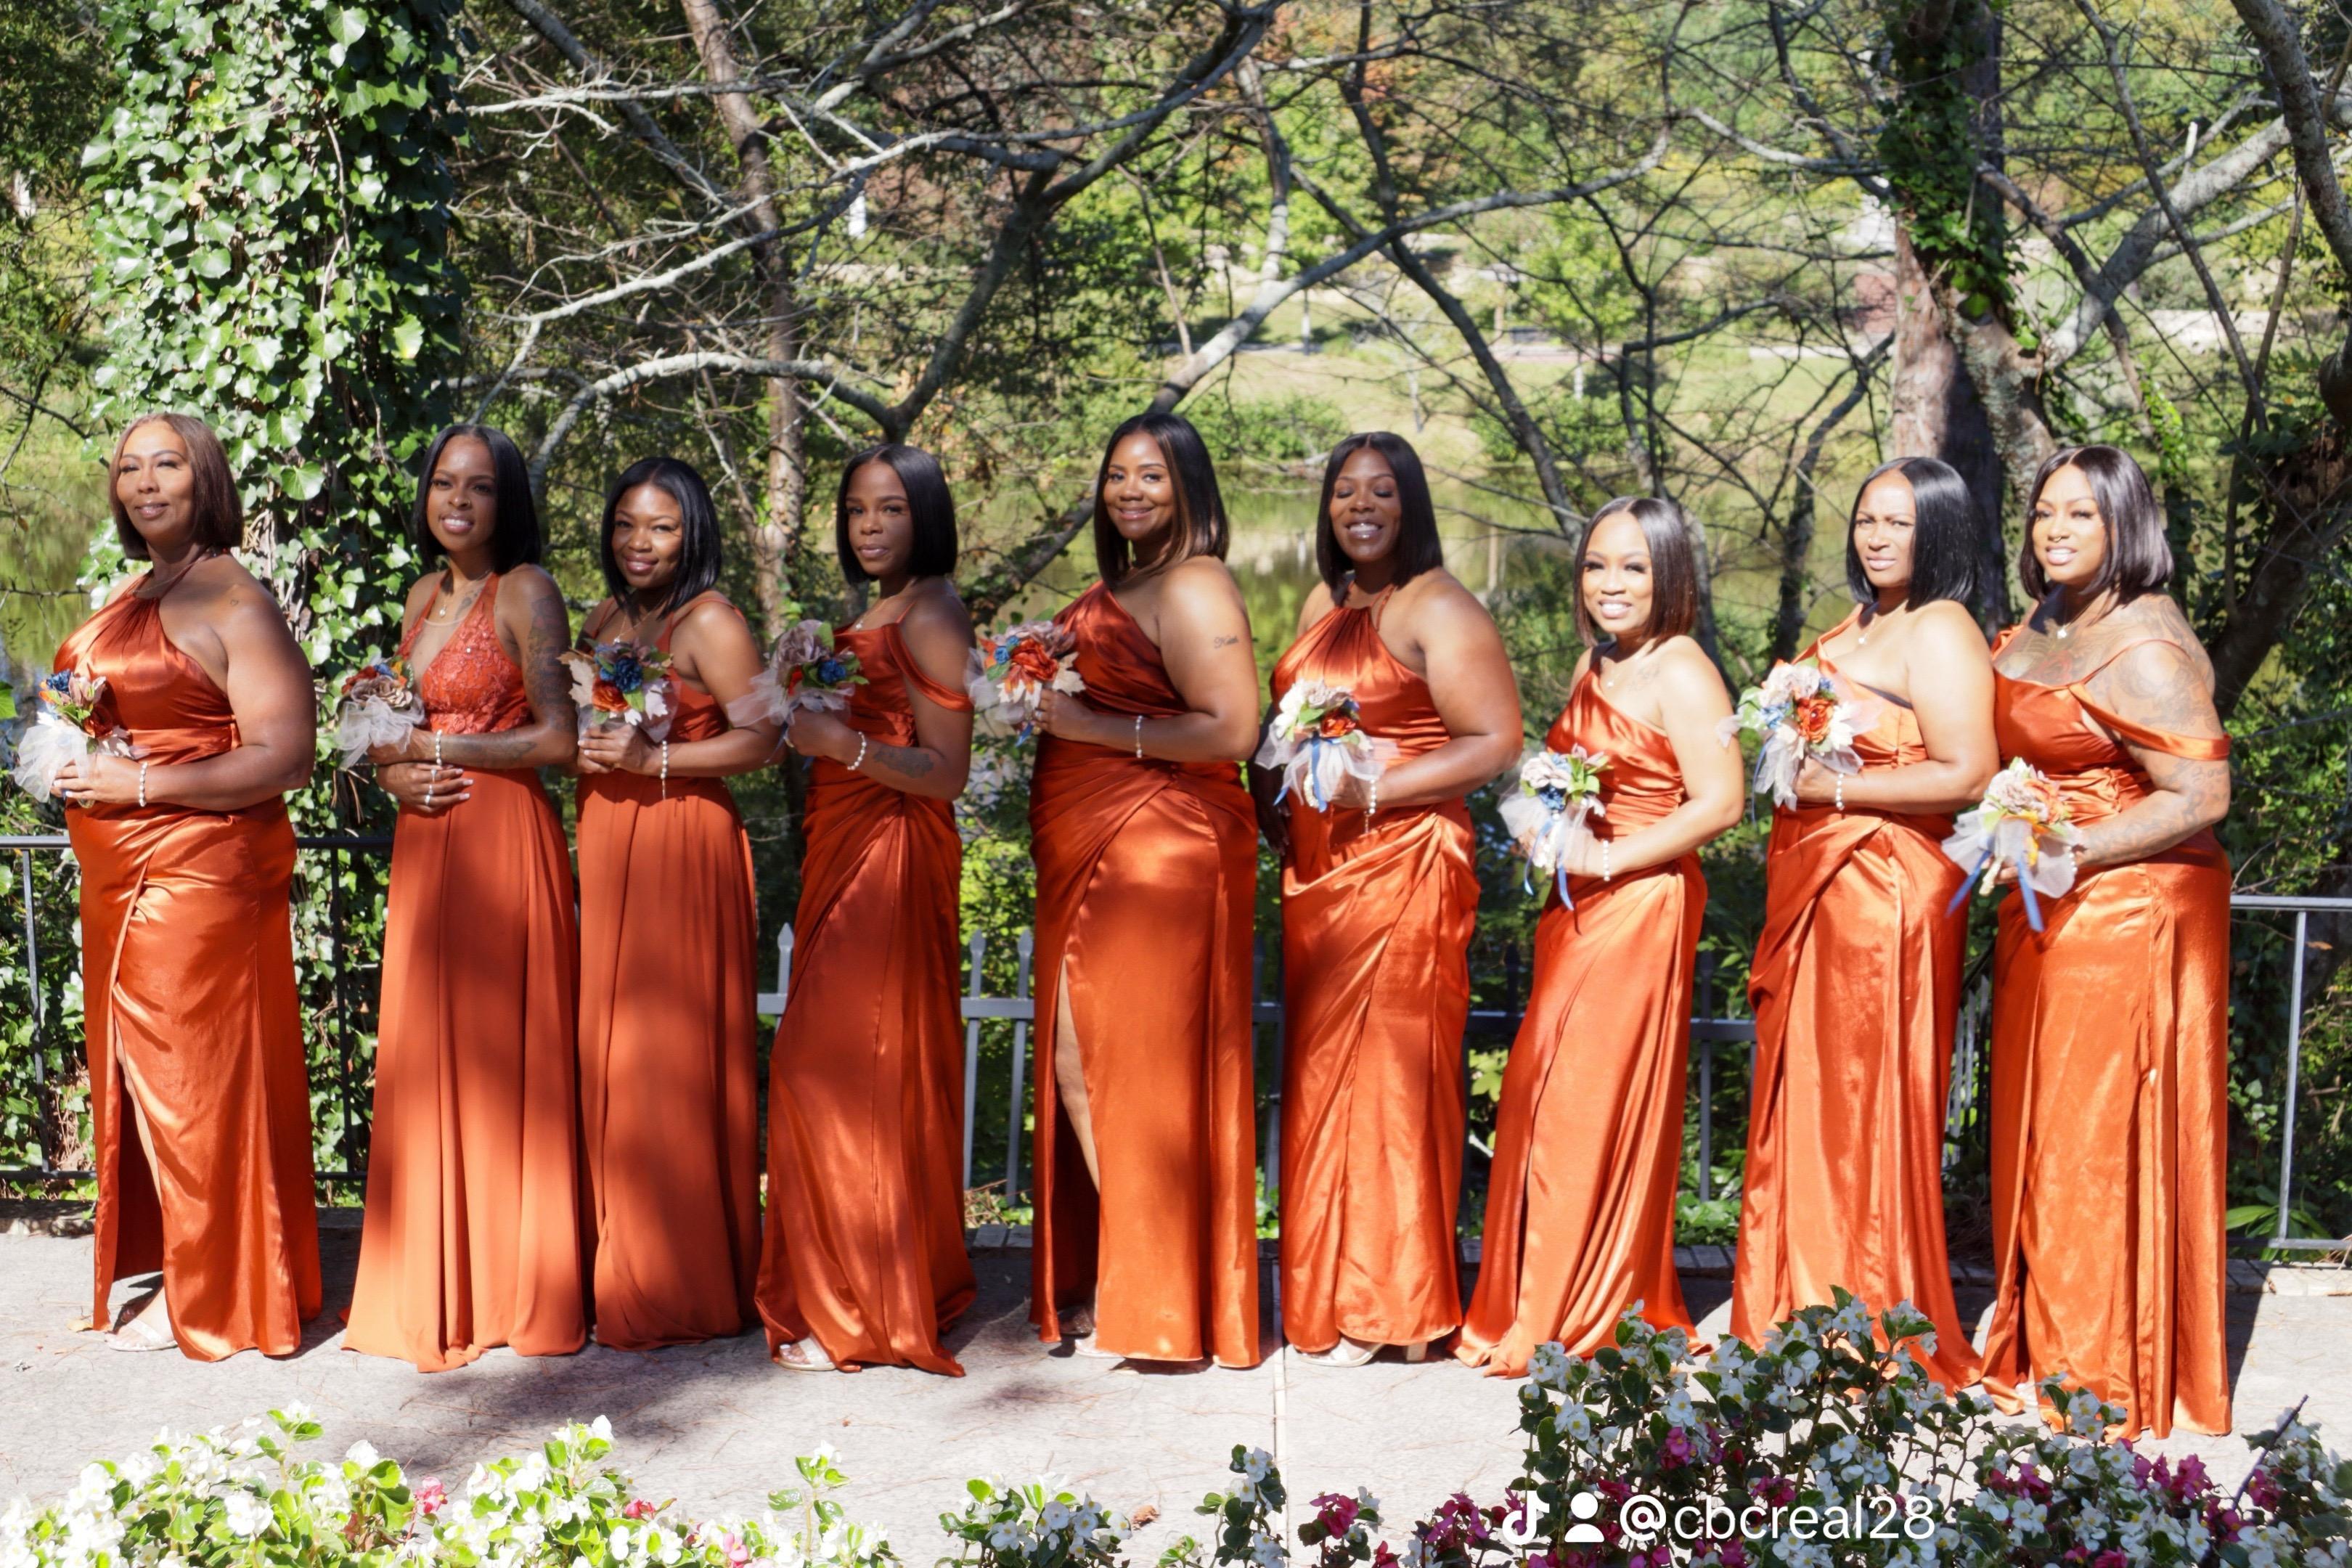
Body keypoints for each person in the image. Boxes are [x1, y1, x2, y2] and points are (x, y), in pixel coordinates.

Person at [50, 412, 320, 1357]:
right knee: (145, 1074)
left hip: (200, 871)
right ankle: (187, 1257)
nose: (145, 482)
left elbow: (287, 756)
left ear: (205, 478)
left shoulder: (237, 599)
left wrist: (139, 784)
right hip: (118, 872)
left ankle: (215, 1291)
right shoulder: (139, 591)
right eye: (130, 467)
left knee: (192, 1078)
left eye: (166, 463)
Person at [1455, 496, 1743, 1376]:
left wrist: (1610, 859)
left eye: (1634, 567)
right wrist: (1547, 827)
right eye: (1596, 565)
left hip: (1641, 903)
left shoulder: (1680, 667)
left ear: (1670, 575)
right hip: (1576, 905)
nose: (1610, 583)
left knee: (1586, 1105)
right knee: (1542, 1098)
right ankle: (1537, 1296)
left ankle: (1581, 1309)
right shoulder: (1599, 661)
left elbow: (1722, 802)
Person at [1980, 445, 2232, 1439]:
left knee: (2088, 1138)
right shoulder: (2047, 619)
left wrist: (2071, 847)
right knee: (2041, 1131)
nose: (2056, 530)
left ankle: (2096, 1369)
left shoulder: (2145, 643)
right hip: (2051, 899)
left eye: (2081, 514)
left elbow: (2202, 794)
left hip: (2125, 907)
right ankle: (2045, 1337)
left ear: (2125, 525)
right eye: (2046, 511)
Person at [1254, 433, 1520, 1366]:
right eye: (1343, 492)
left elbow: (1494, 741)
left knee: (1392, 1082)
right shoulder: (1328, 603)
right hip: (1322, 871)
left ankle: (1395, 1307)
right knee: (1324, 1081)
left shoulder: (1440, 605)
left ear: (1411, 502)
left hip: (1406, 859)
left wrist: (1374, 789)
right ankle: (1330, 1294)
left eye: (1380, 492)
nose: (1359, 507)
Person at [1730, 457, 1994, 1388]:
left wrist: (1835, 791)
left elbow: (1967, 771)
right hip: (1820, 883)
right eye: (1867, 519)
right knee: (1812, 1095)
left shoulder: (1943, 628)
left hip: (1884, 889)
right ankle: (1800, 1302)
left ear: (1940, 532)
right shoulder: (1857, 624)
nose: (1877, 537)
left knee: (1868, 1098)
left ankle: (1868, 1315)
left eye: (1899, 523)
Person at [343, 424, 586, 1371]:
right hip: (426, 845)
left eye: (479, 487)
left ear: (505, 500)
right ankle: (434, 1284)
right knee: (429, 1060)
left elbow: (558, 739)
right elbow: (394, 733)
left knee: (498, 1061)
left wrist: (435, 749)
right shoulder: (419, 597)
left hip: (500, 842)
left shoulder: (527, 591)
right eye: (444, 483)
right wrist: (392, 773)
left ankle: (511, 1289)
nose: (457, 500)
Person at [1029, 411, 1262, 1368]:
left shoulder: (1195, 582)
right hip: (1090, 844)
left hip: (1158, 848)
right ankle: (1146, 1278)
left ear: (1189, 489)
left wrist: (1090, 730)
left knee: (1137, 1073)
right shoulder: (1116, 587)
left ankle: (1162, 1304)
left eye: (1152, 477)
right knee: (1082, 1065)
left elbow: (1233, 729)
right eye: (1118, 475)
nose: (1130, 491)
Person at [756, 444, 979, 1373]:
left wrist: (842, 747)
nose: (871, 526)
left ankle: (867, 1308)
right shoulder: (879, 610)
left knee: (840, 1072)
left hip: (892, 852)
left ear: (926, 515)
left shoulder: (932, 613)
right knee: (834, 1071)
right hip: (842, 844)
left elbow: (949, 770)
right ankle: (857, 1284)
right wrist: (801, 681)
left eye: (891, 509)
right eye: (856, 510)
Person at [573, 457, 775, 1350]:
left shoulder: (712, 621)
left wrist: (653, 761)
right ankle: (621, 1261)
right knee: (614, 1055)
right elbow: (594, 727)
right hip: (611, 836)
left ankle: (678, 1284)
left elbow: (764, 739)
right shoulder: (606, 618)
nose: (639, 543)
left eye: (660, 527)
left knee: (667, 1057)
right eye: (626, 524)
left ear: (692, 531)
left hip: (681, 840)